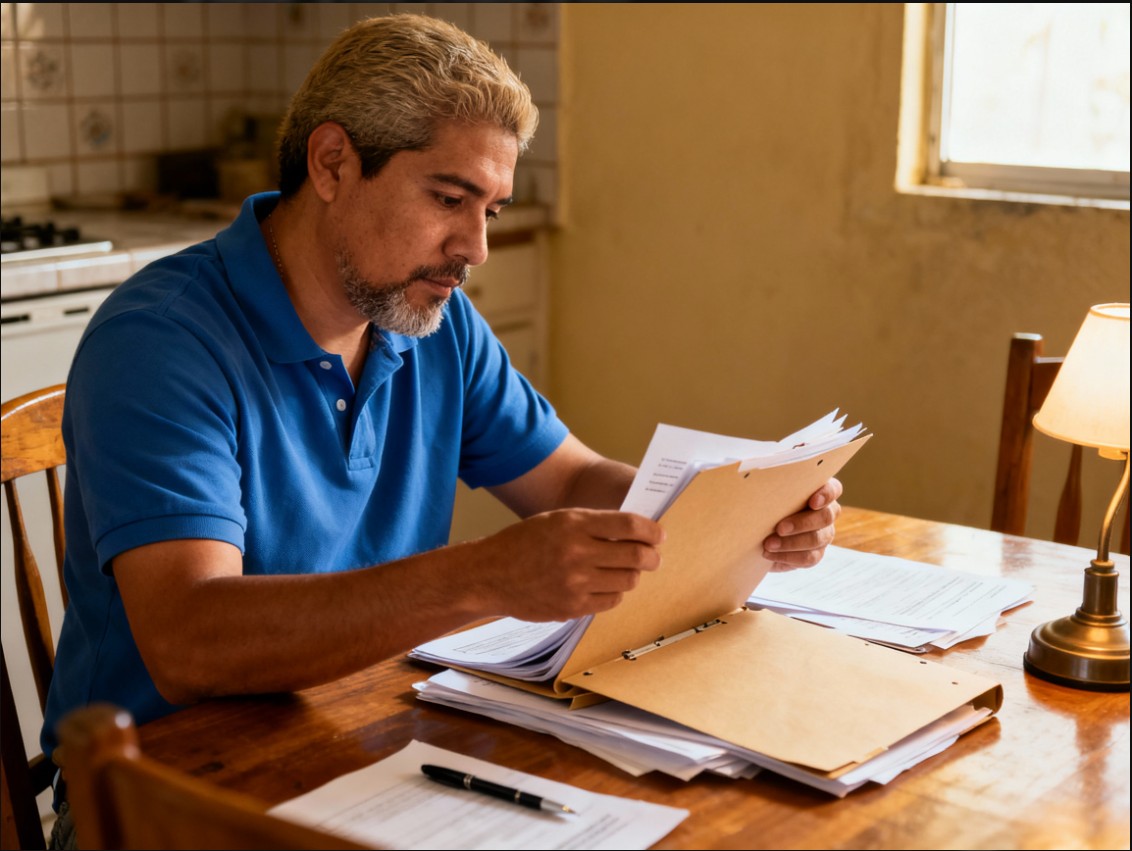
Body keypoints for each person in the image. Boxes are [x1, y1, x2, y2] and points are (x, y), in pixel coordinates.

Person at [42, 12, 842, 842]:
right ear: (332, 164)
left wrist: (738, 508)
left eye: (491, 209)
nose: (476, 247)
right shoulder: (162, 341)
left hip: (359, 745)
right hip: (158, 800)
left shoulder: (429, 322)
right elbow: (191, 640)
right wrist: (481, 577)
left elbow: (568, 479)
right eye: (450, 198)